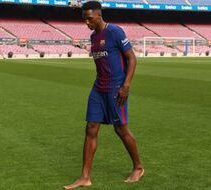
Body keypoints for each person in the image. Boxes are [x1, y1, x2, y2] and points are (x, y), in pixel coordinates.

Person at [64, 1, 144, 189]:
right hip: (98, 88)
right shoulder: (93, 37)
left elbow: (132, 58)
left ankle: (138, 167)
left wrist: (126, 85)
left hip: (117, 88)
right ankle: (85, 177)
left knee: (120, 129)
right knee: (91, 127)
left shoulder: (115, 31)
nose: (86, 22)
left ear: (99, 15)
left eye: (89, 18)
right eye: (84, 19)